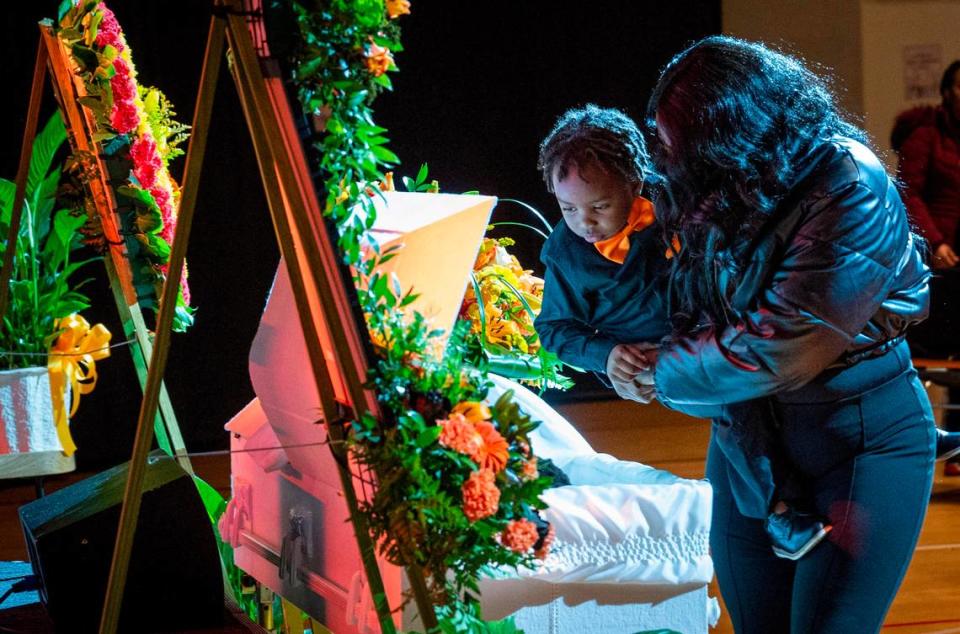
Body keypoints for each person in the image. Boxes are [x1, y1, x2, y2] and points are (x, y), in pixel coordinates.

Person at [644, 36, 935, 633]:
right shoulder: (721, 184)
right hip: (747, 444)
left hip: (859, 441)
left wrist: (657, 370)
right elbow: (686, 303)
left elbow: (782, 347)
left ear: (738, 132)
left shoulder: (850, 180)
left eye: (687, 146)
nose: (673, 160)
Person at [533, 104, 829, 562]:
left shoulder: (675, 206)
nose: (584, 222)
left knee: (801, 347)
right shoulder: (566, 254)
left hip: (720, 329)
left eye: (599, 207)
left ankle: (890, 434)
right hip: (664, 364)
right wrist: (607, 355)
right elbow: (553, 330)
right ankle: (779, 512)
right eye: (568, 207)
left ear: (635, 183)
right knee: (738, 399)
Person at [893, 60, 960, 474]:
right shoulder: (925, 137)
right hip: (936, 263)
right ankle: (915, 440)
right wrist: (937, 242)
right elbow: (909, 195)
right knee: (937, 352)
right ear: (948, 92)